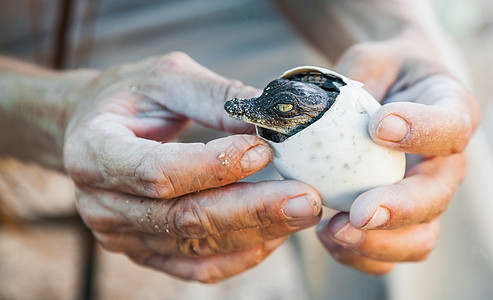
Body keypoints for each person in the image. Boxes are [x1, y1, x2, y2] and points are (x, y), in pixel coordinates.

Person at [0, 0, 483, 298]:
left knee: (448, 182)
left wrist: (401, 41)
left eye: (277, 113)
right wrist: (52, 112)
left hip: (266, 30)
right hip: (26, 55)